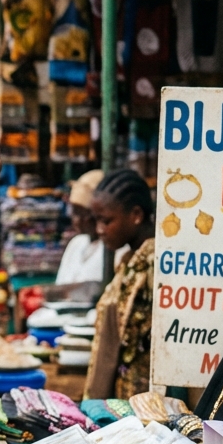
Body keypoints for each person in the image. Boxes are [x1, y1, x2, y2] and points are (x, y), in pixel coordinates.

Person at [85, 168, 157, 400]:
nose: (100, 230)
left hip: (145, 403)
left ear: (136, 215)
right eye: (96, 221)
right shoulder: (129, 262)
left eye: (106, 221)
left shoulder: (154, 265)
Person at [55, 169, 108, 285]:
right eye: (73, 211)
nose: (74, 218)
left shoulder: (111, 250)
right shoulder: (76, 243)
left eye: (80, 212)